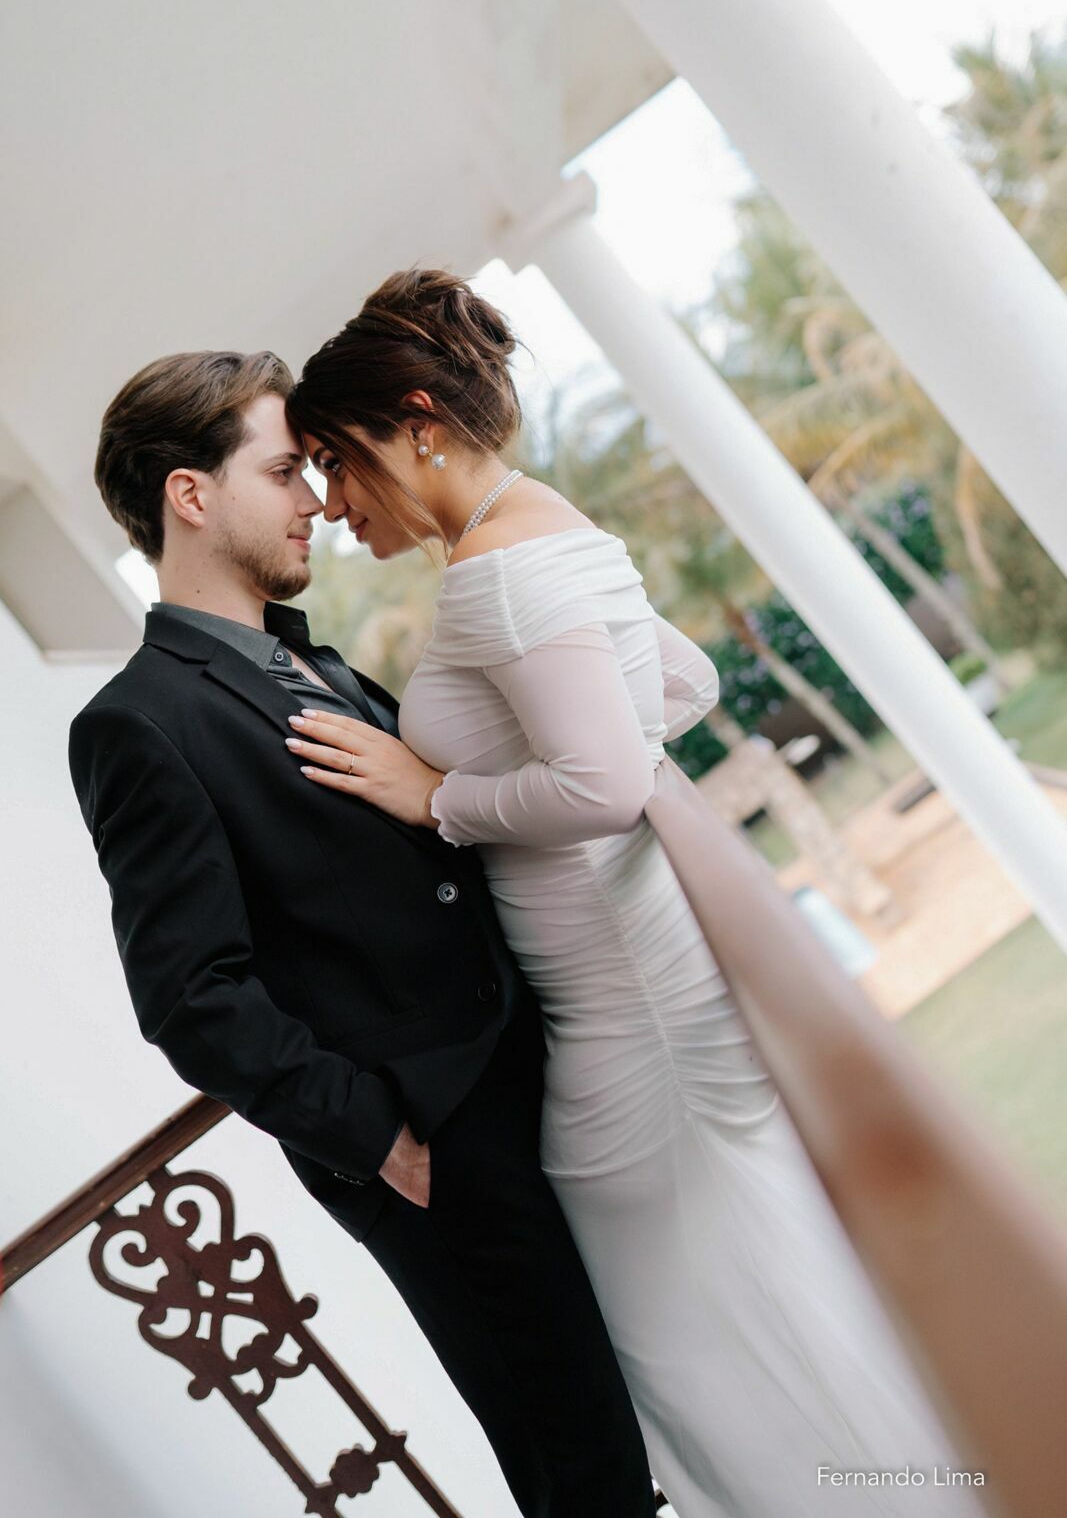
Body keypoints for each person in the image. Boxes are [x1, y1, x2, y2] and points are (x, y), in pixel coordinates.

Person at [284, 269, 986, 1517]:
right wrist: (546, 751)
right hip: (641, 984)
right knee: (757, 1302)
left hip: (630, 1023)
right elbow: (686, 683)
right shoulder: (547, 524)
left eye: (336, 464)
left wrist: (435, 794)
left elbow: (604, 783)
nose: (332, 506)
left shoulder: (499, 571)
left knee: (705, 1345)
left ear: (415, 422)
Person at [68, 349, 657, 1518]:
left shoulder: (312, 661)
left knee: (634, 1421)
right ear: (191, 494)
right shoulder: (139, 721)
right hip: (436, 1150)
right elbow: (190, 994)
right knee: (585, 1474)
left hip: (529, 1091)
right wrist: (376, 1136)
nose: (317, 499)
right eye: (284, 470)